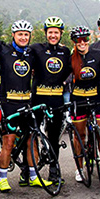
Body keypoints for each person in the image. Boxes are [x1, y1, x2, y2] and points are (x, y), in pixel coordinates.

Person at [0, 20, 52, 192]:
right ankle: (3, 178)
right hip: (8, 103)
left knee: (31, 140)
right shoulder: (4, 50)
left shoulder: (31, 54)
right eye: (20, 34)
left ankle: (33, 176)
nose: (23, 37)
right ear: (13, 35)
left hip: (26, 102)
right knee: (8, 142)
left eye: (26, 34)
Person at [69, 25, 100, 184]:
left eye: (85, 39)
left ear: (89, 40)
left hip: (97, 98)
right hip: (78, 100)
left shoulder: (98, 55)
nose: (82, 43)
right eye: (78, 40)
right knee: (79, 135)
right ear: (74, 42)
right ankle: (79, 169)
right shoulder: (71, 58)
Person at [30, 16, 71, 184]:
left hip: (56, 100)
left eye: (56, 32)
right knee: (32, 134)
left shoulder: (65, 51)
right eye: (50, 32)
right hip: (38, 98)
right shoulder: (36, 49)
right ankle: (28, 170)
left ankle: (54, 170)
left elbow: (70, 70)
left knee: (53, 136)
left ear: (61, 34)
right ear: (45, 33)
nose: (53, 35)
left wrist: (65, 81)